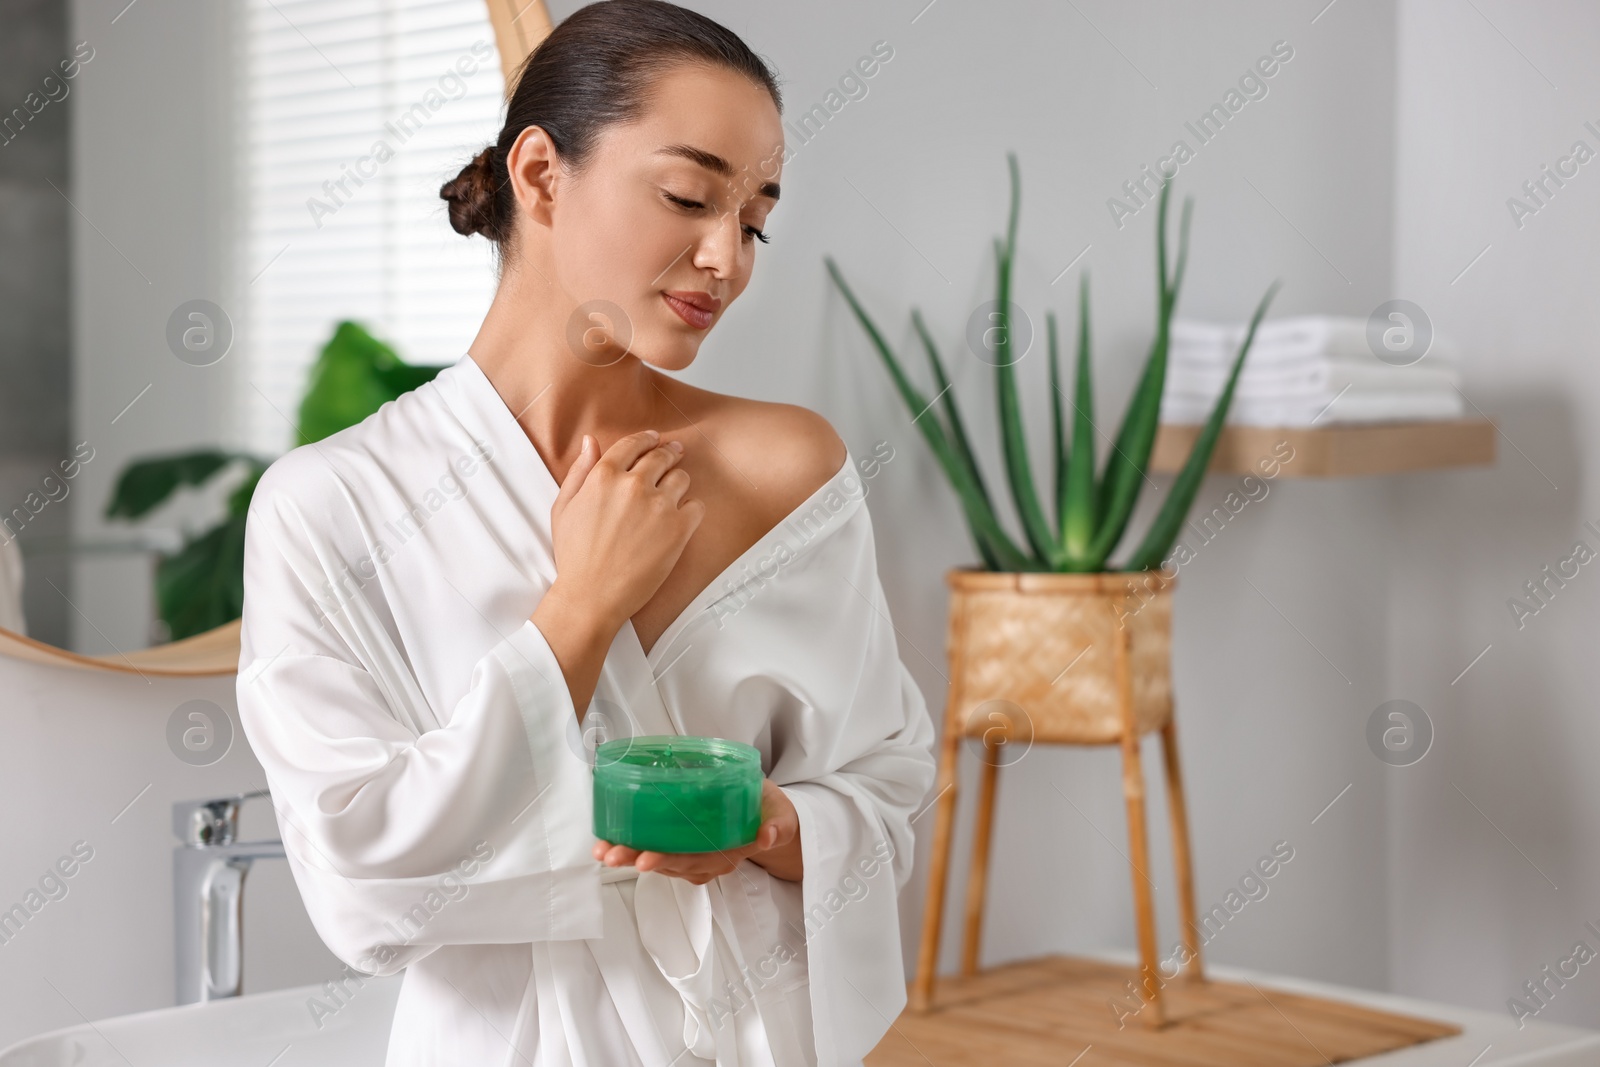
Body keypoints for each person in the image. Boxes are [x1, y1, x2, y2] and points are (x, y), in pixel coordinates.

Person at [234, 2, 937, 1065]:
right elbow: (363, 887)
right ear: (540, 172)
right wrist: (579, 608)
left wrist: (766, 825)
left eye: (752, 220)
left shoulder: (788, 468)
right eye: (689, 196)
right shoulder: (335, 503)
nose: (726, 258)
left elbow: (885, 781)